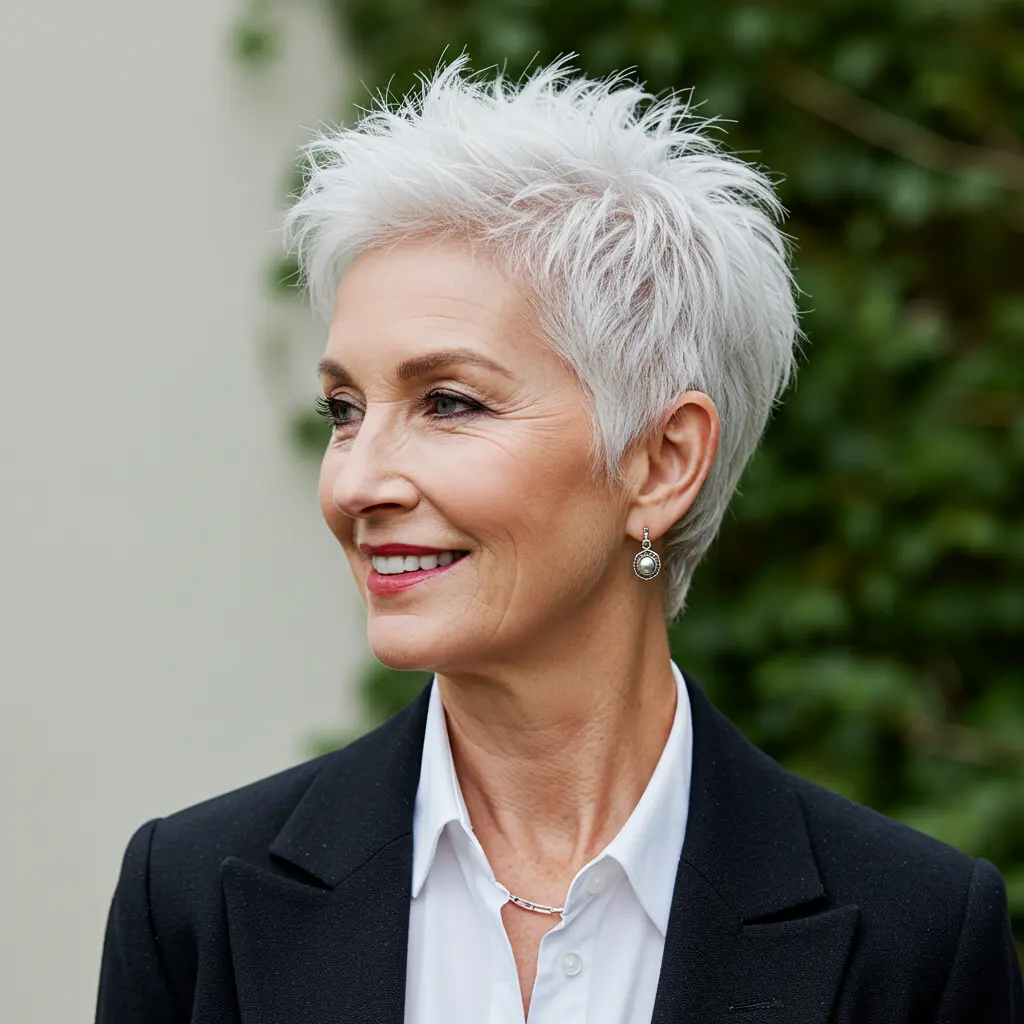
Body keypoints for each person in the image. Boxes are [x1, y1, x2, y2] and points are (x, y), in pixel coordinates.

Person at [96, 54, 1023, 1023]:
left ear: (661, 462)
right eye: (342, 407)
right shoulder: (194, 899)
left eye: (447, 402)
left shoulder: (912, 934)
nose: (357, 480)